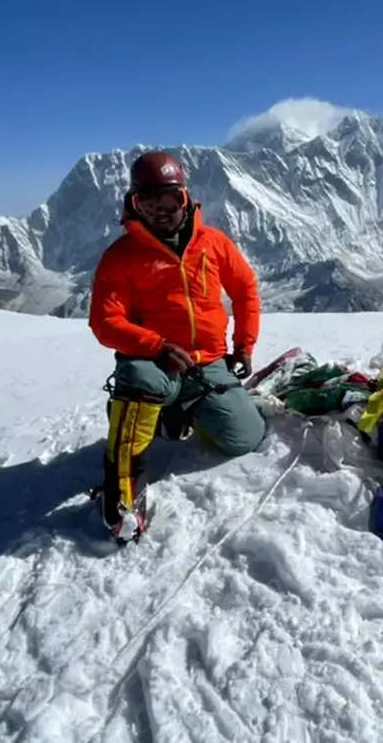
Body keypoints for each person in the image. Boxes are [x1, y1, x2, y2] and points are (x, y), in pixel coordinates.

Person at [88, 150, 267, 542]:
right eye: (149, 203)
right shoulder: (121, 257)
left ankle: (180, 412)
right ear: (135, 204)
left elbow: (245, 291)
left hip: (208, 361)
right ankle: (123, 480)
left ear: (185, 198)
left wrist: (244, 345)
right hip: (155, 363)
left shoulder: (214, 243)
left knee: (245, 439)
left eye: (170, 201)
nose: (161, 211)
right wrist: (156, 346)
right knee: (137, 378)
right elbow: (104, 322)